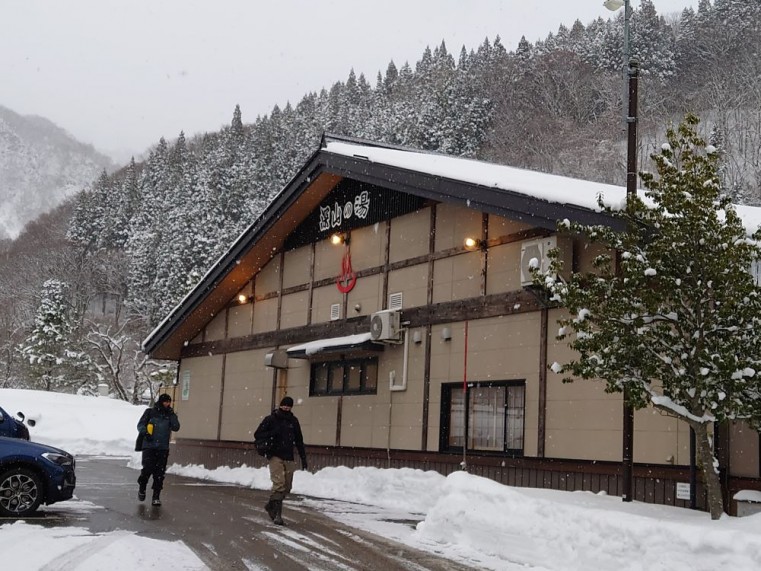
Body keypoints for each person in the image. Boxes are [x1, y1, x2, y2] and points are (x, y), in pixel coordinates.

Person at [254, 396, 307, 525]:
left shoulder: (293, 421)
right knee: (279, 484)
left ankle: (271, 505)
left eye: (289, 406)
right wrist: (273, 433)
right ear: (280, 405)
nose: (286, 407)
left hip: (289, 456)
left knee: (287, 487)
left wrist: (303, 457)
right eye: (284, 405)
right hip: (275, 455)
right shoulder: (271, 419)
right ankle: (277, 515)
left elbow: (299, 440)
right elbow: (257, 434)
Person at [137, 393, 180, 506]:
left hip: (163, 447)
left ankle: (156, 496)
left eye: (169, 402)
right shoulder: (150, 412)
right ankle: (142, 486)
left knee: (160, 473)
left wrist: (172, 415)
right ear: (161, 402)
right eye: (166, 402)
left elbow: (176, 427)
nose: (167, 404)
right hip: (149, 446)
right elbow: (140, 425)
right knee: (147, 469)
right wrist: (146, 433)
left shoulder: (169, 414)